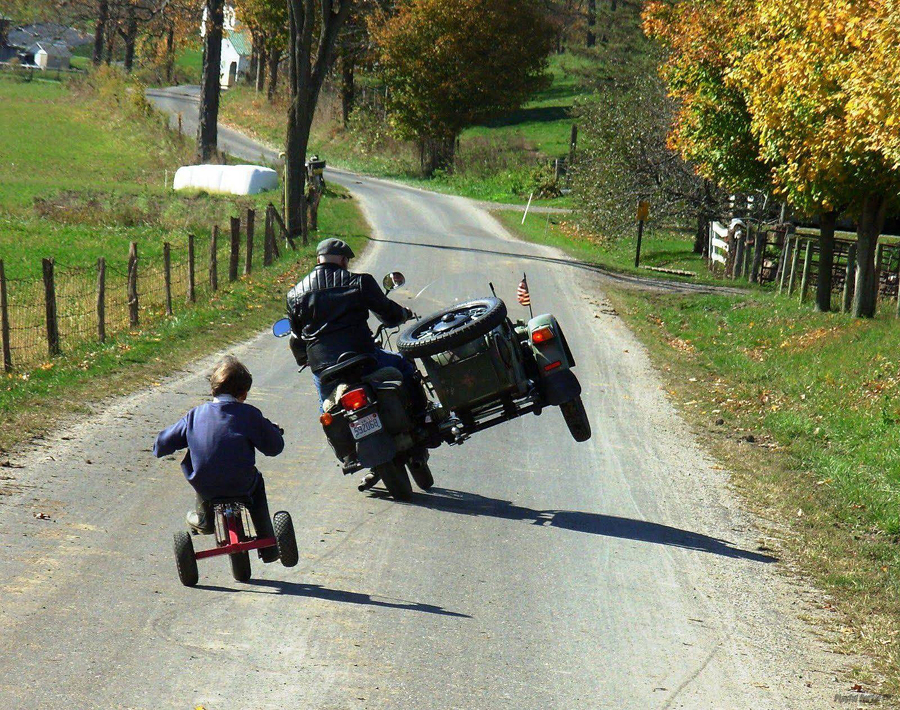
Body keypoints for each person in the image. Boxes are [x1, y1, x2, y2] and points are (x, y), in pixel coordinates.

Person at [152, 356, 285, 561]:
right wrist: (274, 432)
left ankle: (204, 519)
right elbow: (274, 447)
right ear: (244, 392)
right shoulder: (249, 414)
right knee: (257, 484)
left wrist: (158, 447)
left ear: (213, 388)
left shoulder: (194, 416)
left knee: (204, 471)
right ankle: (267, 542)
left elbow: (162, 444)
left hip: (206, 486)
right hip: (242, 484)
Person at [285, 237, 423, 410]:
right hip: (363, 357)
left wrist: (304, 358)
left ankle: (334, 435)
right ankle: (422, 417)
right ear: (343, 260)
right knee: (404, 365)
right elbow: (388, 312)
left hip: (325, 367)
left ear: (318, 259)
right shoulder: (359, 282)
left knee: (328, 407)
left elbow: (297, 337)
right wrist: (403, 314)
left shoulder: (294, 295)